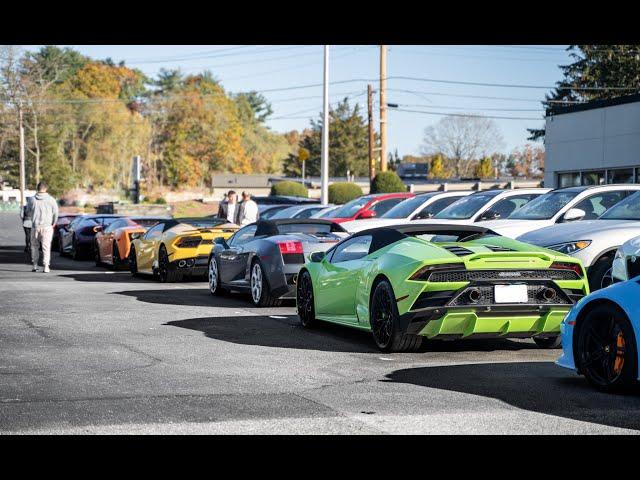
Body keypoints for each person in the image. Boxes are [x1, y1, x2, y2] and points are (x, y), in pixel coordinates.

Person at [28, 181, 59, 273]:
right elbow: (56, 213)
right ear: (46, 189)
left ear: (37, 188)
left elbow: (28, 211)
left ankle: (34, 265)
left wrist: (33, 218)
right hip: (47, 226)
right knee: (46, 247)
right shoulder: (51, 200)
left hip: (35, 226)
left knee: (34, 246)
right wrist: (53, 222)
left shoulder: (32, 199)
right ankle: (46, 266)